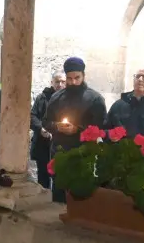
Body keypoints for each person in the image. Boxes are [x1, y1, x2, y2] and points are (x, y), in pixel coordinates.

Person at [43, 57, 107, 203]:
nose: (73, 82)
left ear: (83, 76)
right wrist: (57, 126)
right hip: (59, 152)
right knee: (59, 195)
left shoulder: (95, 98)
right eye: (69, 78)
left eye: (77, 78)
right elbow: (46, 122)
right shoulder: (56, 97)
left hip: (83, 154)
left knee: (80, 197)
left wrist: (77, 130)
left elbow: (100, 126)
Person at [29, 71, 66, 189]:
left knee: (59, 177)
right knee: (43, 177)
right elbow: (32, 116)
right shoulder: (42, 98)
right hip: (43, 144)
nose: (60, 84)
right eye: (57, 81)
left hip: (61, 144)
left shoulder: (70, 99)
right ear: (52, 83)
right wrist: (41, 128)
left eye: (62, 82)